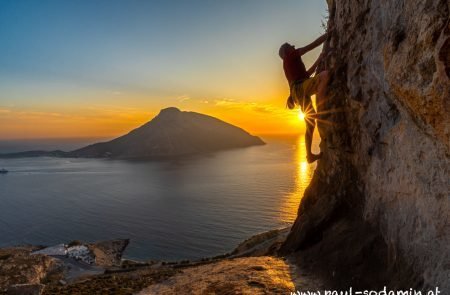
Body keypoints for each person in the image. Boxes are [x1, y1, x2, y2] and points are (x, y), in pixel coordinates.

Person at [279, 33, 330, 163]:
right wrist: (328, 34)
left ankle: (309, 155)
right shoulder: (290, 57)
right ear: (287, 51)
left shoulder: (290, 64)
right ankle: (323, 108)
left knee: (310, 124)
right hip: (300, 89)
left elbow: (307, 74)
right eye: (291, 46)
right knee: (324, 76)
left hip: (298, 92)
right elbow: (310, 46)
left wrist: (319, 59)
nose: (294, 46)